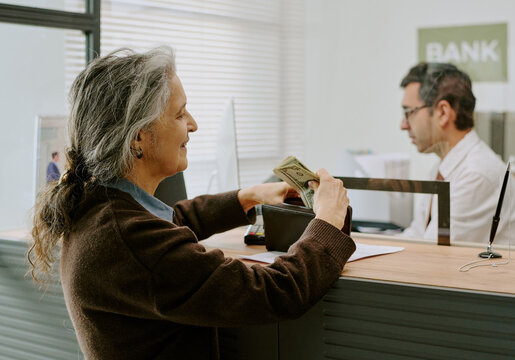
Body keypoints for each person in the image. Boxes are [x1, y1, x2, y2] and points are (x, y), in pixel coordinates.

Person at [29, 47, 355, 360]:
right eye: (180, 113)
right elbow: (276, 292)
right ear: (138, 136)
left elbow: (173, 222)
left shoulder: (103, 208)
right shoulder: (131, 241)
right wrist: (327, 220)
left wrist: (249, 197)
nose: (193, 124)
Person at [399, 62, 515, 245]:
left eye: (409, 112)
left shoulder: (476, 175)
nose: (403, 125)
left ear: (443, 112)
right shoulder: (442, 169)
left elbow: (430, 253)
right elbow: (416, 234)